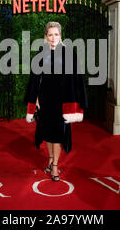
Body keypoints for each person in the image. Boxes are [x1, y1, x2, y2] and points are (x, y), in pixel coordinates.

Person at [23, 22, 88, 182]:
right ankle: (51, 158)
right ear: (46, 36)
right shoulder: (41, 53)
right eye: (50, 35)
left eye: (56, 34)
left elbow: (76, 79)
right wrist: (35, 98)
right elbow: (35, 78)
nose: (53, 38)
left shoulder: (69, 53)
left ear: (61, 35)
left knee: (58, 134)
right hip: (45, 98)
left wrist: (75, 102)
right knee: (47, 132)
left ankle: (55, 165)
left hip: (62, 100)